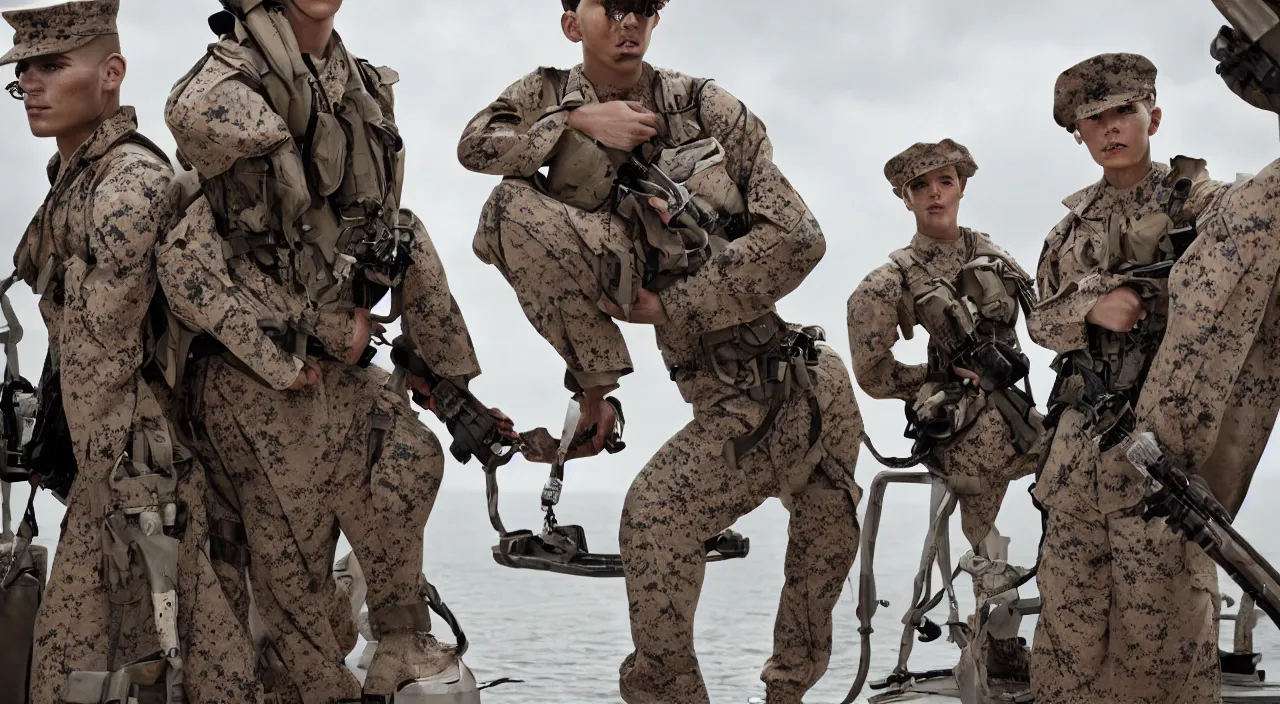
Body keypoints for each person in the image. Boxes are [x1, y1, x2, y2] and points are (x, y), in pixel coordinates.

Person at [458, 2, 863, 702]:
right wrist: (576, 125)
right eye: (610, 6)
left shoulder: (705, 107)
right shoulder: (543, 97)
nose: (629, 21)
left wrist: (670, 307)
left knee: (805, 580)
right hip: (733, 397)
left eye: (643, 7)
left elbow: (801, 239)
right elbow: (475, 147)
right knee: (505, 211)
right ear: (570, 22)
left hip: (805, 387)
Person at [159, 0, 508, 701]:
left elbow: (395, 235)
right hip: (254, 380)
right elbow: (192, 260)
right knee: (299, 635)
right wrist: (318, 325)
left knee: (413, 458)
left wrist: (446, 381)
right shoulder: (220, 92)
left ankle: (398, 641)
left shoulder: (363, 91)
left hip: (334, 376)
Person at [4, 1, 261, 701]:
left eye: (53, 66)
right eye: (22, 70)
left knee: (141, 672)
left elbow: (101, 359)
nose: (31, 82)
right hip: (116, 474)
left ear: (112, 73)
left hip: (136, 478)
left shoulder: (125, 185)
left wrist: (94, 479)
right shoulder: (76, 180)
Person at [1027, 51, 1254, 703]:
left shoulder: (1209, 210)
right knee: (1067, 654)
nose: (1110, 128)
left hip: (1165, 465)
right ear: (1079, 134)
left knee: (1166, 652)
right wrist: (1090, 303)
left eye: (1123, 111)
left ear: (1153, 115)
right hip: (1074, 468)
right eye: (1092, 119)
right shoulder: (1066, 234)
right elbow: (1040, 320)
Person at [848, 139, 1041, 681]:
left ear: (961, 187)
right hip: (961, 430)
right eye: (919, 186)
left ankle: (1071, 625)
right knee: (983, 510)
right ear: (903, 198)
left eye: (945, 182)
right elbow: (872, 370)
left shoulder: (996, 256)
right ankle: (992, 645)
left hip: (1019, 412)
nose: (934, 194)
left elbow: (1047, 319)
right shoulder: (895, 277)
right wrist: (933, 381)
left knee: (1081, 476)